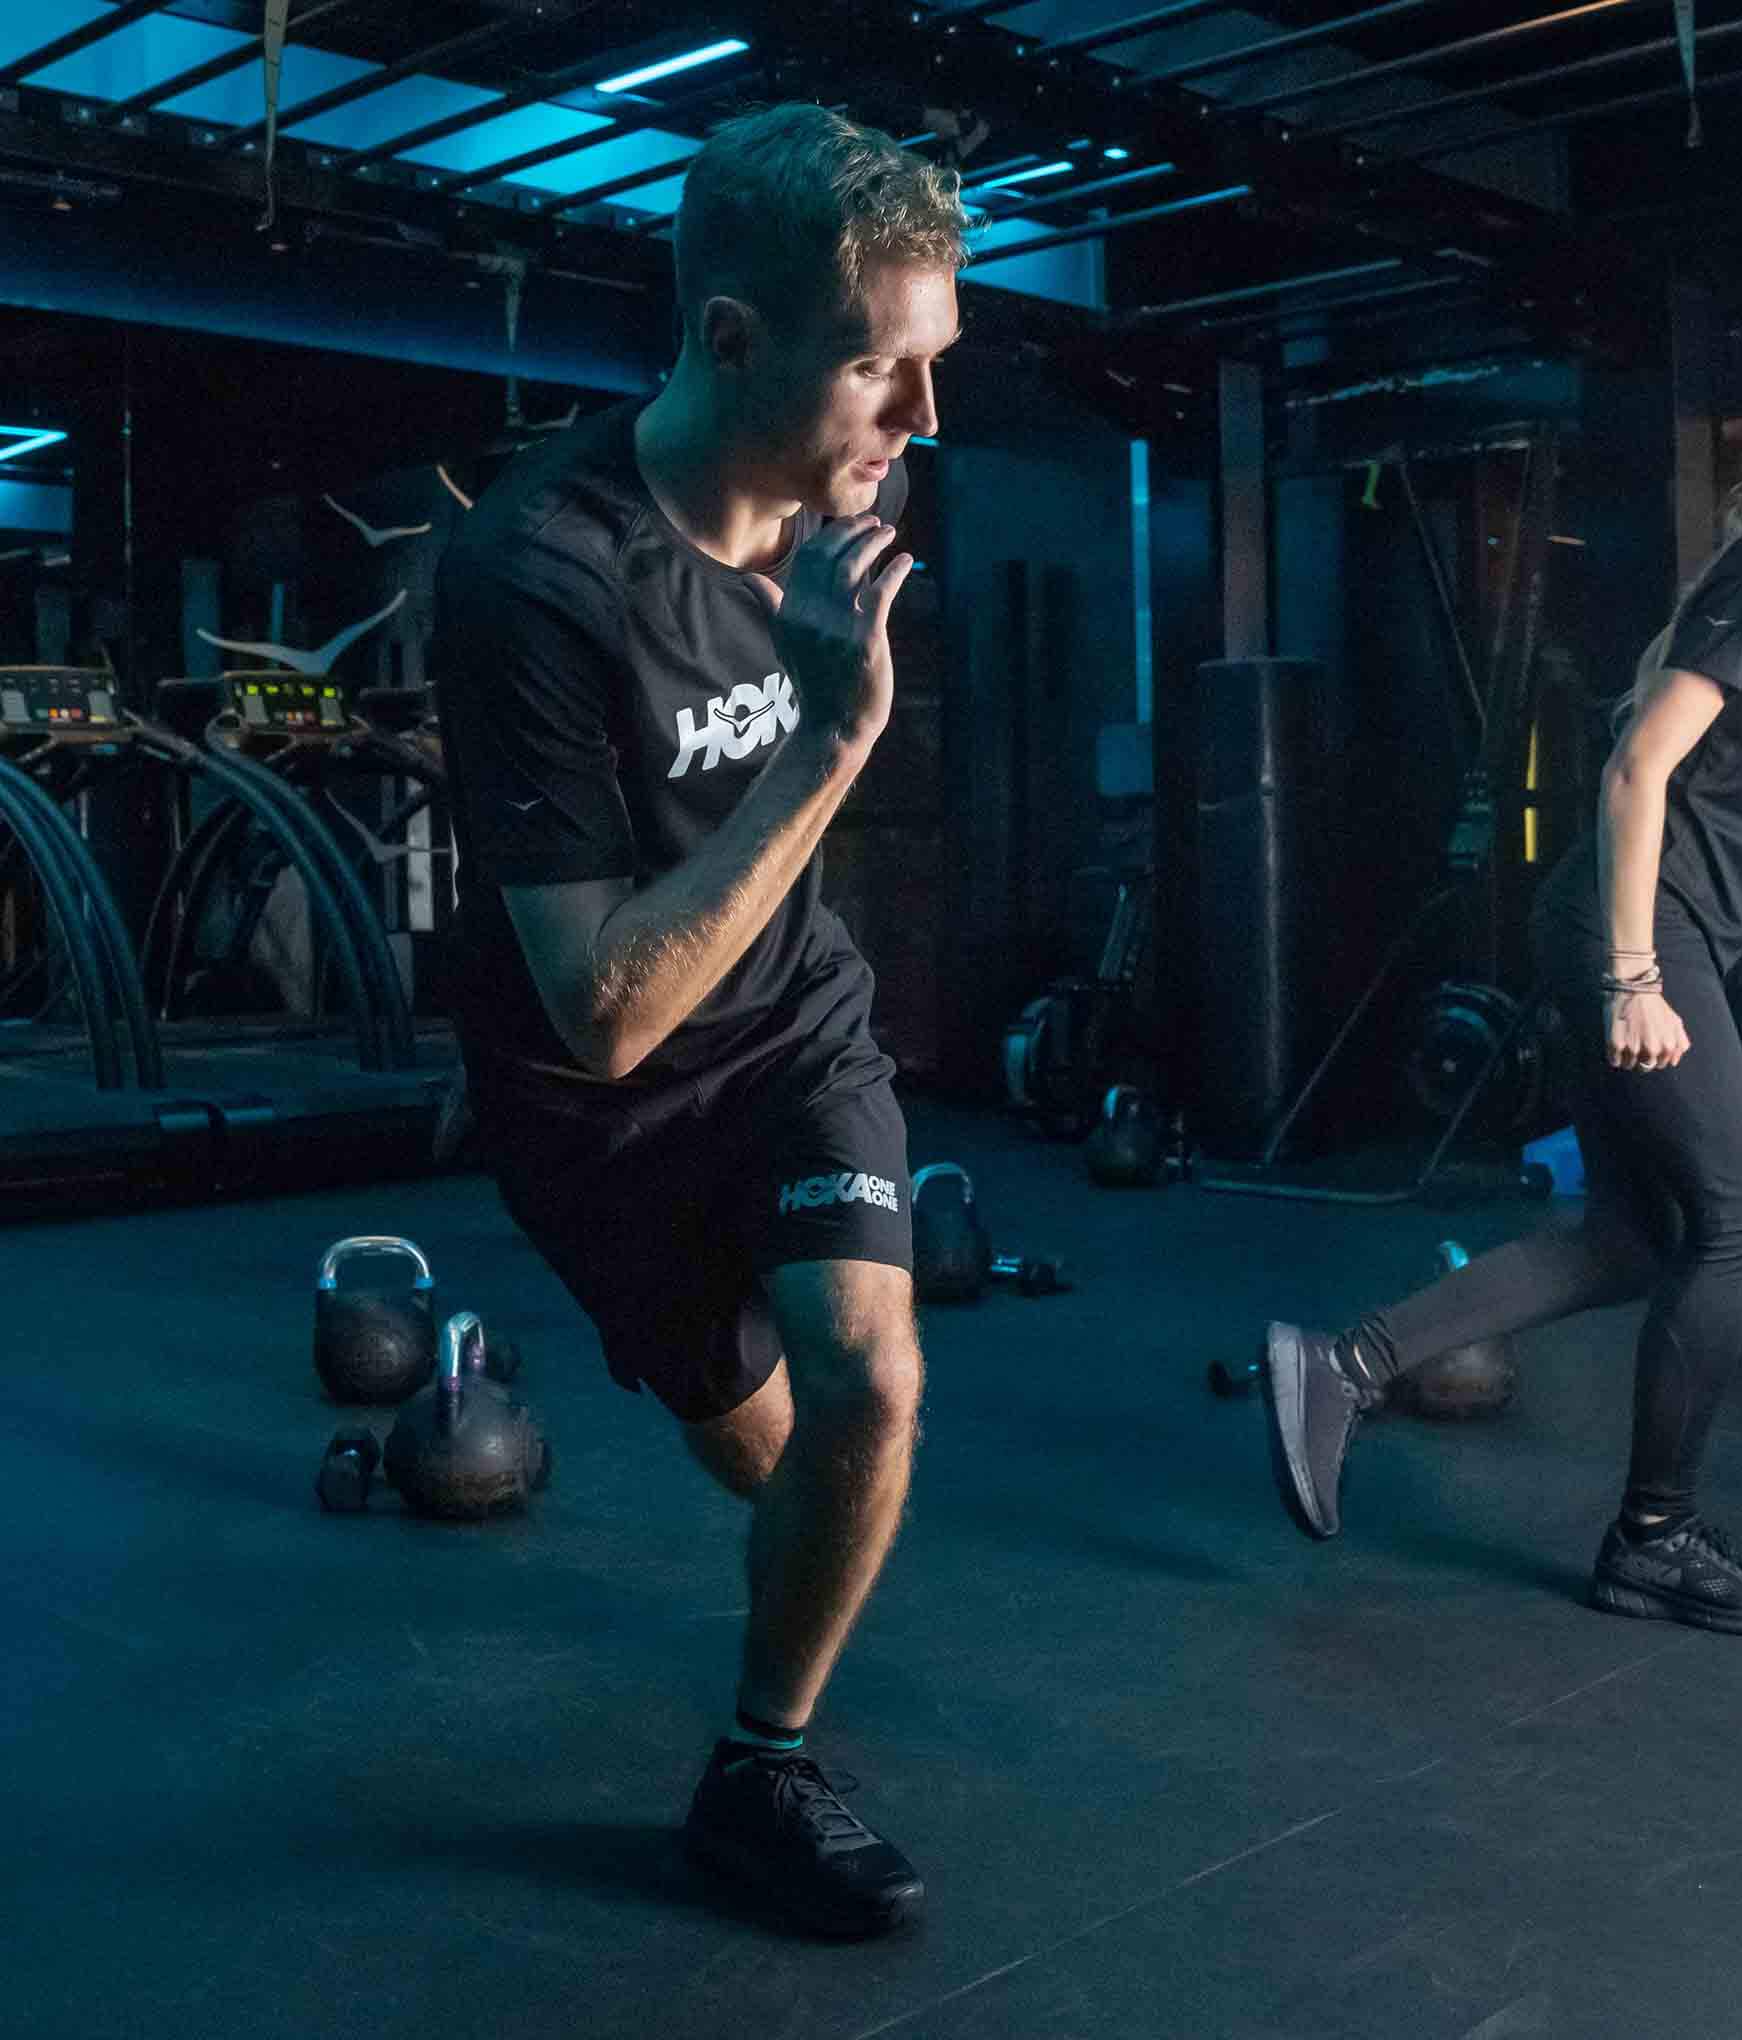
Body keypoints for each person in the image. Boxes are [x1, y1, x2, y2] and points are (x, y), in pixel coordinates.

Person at [431, 105, 967, 1936]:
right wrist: (827, 744)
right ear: (732, 338)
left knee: (871, 1388)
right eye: (879, 377)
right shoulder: (536, 578)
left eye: (933, 373)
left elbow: (782, 863)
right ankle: (776, 1649)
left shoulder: (843, 511)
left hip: (795, 1035)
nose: (919, 428)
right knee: (767, 1462)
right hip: (603, 1109)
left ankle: (759, 1769)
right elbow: (597, 1015)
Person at [1259, 326, 1742, 1636]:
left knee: (1636, 1236)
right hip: (1631, 929)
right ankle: (1654, 1539)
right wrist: (1633, 974)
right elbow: (1632, 773)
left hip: (1680, 941)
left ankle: (1344, 1366)